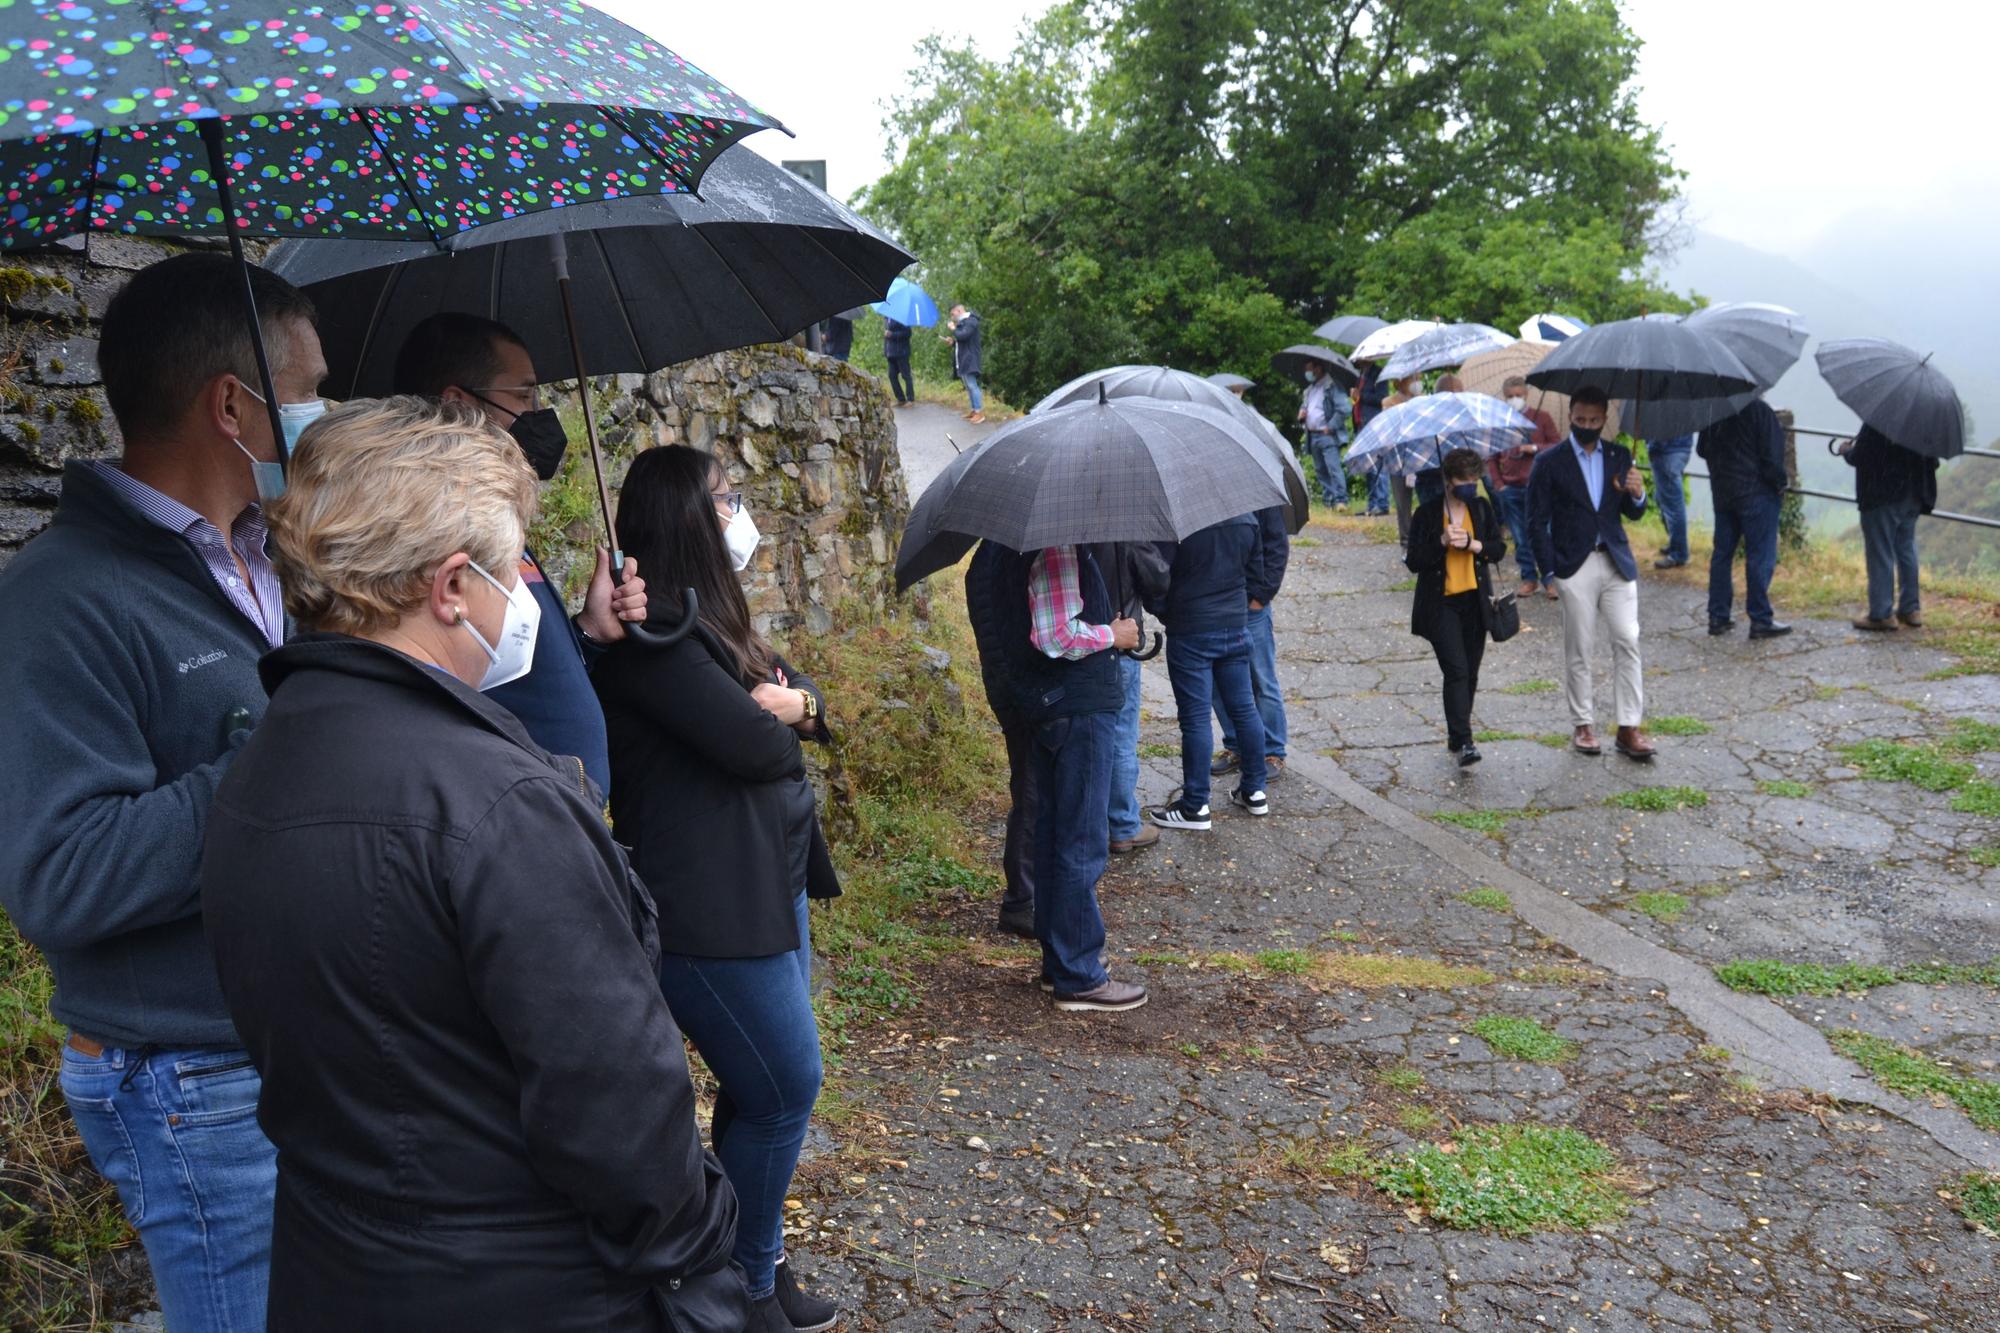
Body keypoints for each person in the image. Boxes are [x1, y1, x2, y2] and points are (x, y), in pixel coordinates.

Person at [197, 398, 746, 1331]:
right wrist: (704, 1249)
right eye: (513, 569)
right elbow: (620, 1114)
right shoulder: (495, 803)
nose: (524, 597)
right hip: (531, 1286)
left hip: (336, 1268)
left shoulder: (259, 765)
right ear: (452, 586)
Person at [0, 253, 327, 1329]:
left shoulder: (265, 559)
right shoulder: (59, 601)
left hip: (294, 1041)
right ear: (233, 406)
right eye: (307, 388)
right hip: (192, 1079)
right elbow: (61, 873)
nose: (321, 415)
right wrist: (276, 758)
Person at [593, 445, 844, 1331]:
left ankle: (759, 1267)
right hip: (704, 902)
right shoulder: (647, 632)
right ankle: (735, 1284)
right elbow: (757, 743)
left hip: (764, 884)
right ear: (685, 519)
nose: (741, 512)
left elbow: (800, 697)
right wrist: (783, 714)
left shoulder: (702, 613)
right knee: (785, 1083)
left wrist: (794, 705)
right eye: (727, 498)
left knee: (758, 1086)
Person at [394, 313, 647, 796]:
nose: (539, 413)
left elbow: (514, 669)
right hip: (522, 821)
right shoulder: (435, 536)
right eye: (524, 396)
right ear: (458, 404)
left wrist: (590, 632)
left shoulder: (487, 519)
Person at [965, 540, 1147, 1011]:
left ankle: (1060, 962)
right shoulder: (1055, 550)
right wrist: (1114, 634)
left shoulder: (997, 553)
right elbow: (1055, 637)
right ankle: (1080, 975)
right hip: (1076, 708)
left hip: (1047, 707)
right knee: (1080, 840)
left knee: (1053, 834)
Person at [1527, 386, 1657, 761]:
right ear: (1571, 417)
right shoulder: (1550, 462)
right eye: (1580, 420)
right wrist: (1548, 571)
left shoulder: (1619, 456)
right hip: (1573, 564)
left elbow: (1633, 513)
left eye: (1594, 421)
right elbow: (1536, 521)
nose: (1587, 426)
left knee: (1627, 640)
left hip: (1615, 560)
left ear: (1604, 419)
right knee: (1579, 646)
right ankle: (1583, 723)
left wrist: (1637, 494)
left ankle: (1628, 727)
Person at [1149, 514, 1270, 830]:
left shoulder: (1178, 523)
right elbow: (1257, 573)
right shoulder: (1247, 520)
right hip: (1234, 625)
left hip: (1190, 628)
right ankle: (1255, 790)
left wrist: (1166, 612)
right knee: (1244, 709)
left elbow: (1157, 575)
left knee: (1195, 718)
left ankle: (1195, 806)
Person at [1406, 449, 1509, 766]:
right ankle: (1466, 741)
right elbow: (1414, 562)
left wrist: (1474, 545)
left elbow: (1498, 548)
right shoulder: (1426, 513)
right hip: (1441, 605)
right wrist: (1441, 542)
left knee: (1471, 673)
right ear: (1448, 480)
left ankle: (1456, 732)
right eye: (1464, 481)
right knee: (1457, 670)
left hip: (1475, 603)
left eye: (1475, 481)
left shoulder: (1480, 508)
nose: (1470, 486)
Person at [1093, 541, 1172, 856]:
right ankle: (1123, 827)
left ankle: (1092, 823)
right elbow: (1159, 579)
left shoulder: (1063, 523)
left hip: (1077, 646)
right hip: (1119, 645)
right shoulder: (1124, 525)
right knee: (1121, 740)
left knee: (1087, 739)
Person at [1697, 399, 1792, 639]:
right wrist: (1780, 484)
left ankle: (1717, 616)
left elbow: (1702, 449)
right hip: (1757, 493)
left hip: (1723, 491)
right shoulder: (1759, 410)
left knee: (1722, 554)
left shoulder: (1714, 410)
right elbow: (1772, 457)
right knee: (1759, 556)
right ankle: (1760, 619)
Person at [1214, 503, 1289, 783]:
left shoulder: (1256, 491)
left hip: (1250, 602)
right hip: (1214, 601)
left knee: (1262, 679)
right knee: (1217, 680)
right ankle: (1236, 745)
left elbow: (1277, 545)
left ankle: (1272, 750)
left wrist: (1261, 596)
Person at [1841, 424, 1939, 631]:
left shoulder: (1879, 421)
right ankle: (1910, 609)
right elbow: (1933, 461)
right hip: (1914, 494)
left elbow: (1861, 457)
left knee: (1880, 552)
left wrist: (1846, 450)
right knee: (1906, 548)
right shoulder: (1924, 421)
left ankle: (1881, 614)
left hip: (1882, 495)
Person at [1488, 375, 1562, 599]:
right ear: (1504, 397)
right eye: (1510, 397)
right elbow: (1491, 456)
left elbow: (1557, 445)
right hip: (1511, 489)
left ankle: (1550, 578)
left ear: (1526, 394)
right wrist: (1499, 484)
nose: (1514, 400)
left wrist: (1534, 448)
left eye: (1518, 396)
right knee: (1520, 537)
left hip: (1538, 487)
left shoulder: (1542, 418)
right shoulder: (1501, 421)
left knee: (1544, 533)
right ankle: (1528, 578)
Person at [1299, 360, 1351, 509]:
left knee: (1333, 468)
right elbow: (1306, 407)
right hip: (1312, 435)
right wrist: (1302, 414)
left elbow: (1345, 409)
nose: (1307, 373)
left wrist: (1331, 426)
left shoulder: (1332, 386)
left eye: (1309, 369)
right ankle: (1329, 501)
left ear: (1318, 368)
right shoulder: (1309, 390)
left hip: (1327, 435)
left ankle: (1341, 500)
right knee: (1320, 470)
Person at [1382, 373, 1425, 542]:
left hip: (1421, 455)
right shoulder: (1389, 403)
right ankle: (1406, 539)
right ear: (1400, 381)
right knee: (1402, 502)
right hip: (1398, 456)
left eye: (1419, 378)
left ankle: (1426, 536)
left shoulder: (1424, 401)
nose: (1417, 383)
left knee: (1426, 496)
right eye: (1413, 379)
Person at [1647, 433, 1695, 569]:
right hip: (1679, 447)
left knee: (1673, 506)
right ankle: (1676, 543)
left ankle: (1679, 553)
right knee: (1664, 500)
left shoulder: (1662, 411)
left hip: (1667, 450)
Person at [1354, 360, 1392, 516]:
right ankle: (1372, 505)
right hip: (1361, 425)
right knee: (1367, 467)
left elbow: (1382, 398)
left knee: (1378, 464)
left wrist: (1360, 395)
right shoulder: (1360, 375)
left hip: (1374, 425)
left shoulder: (1379, 374)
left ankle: (1382, 504)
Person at [943, 303, 985, 423]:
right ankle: (974, 410)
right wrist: (953, 342)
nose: (952, 317)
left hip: (970, 359)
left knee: (972, 385)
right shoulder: (964, 323)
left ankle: (979, 413)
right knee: (968, 386)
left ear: (959, 310)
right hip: (963, 359)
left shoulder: (971, 321)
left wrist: (953, 329)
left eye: (953, 314)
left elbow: (963, 336)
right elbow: (962, 341)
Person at [883, 316, 915, 407]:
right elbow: (886, 337)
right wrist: (885, 351)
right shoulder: (886, 318)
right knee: (892, 376)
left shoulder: (902, 317)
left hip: (901, 352)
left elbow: (907, 333)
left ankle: (910, 399)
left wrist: (892, 335)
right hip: (891, 353)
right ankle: (900, 399)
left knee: (906, 375)